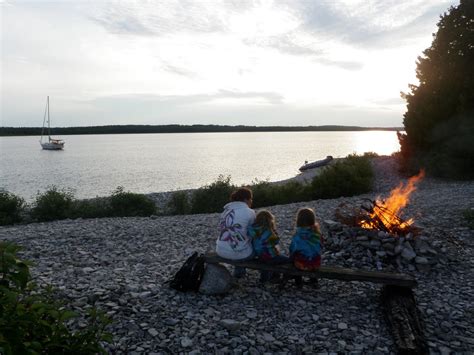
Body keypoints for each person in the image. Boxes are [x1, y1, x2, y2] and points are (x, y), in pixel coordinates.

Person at [216, 187, 255, 278]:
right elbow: (254, 233)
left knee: (239, 239)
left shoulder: (226, 211)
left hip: (220, 250)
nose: (251, 201)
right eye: (251, 199)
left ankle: (239, 272)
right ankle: (240, 273)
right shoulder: (250, 212)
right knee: (252, 243)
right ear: (246, 199)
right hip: (238, 254)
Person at [248, 210, 290, 283]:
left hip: (259, 255)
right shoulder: (269, 231)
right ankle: (275, 277)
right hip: (270, 256)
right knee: (287, 259)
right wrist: (275, 232)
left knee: (268, 261)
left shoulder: (253, 230)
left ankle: (265, 279)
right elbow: (276, 241)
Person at [289, 207, 323, 287]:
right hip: (315, 264)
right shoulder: (317, 234)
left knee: (296, 258)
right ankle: (314, 281)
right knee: (312, 255)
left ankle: (298, 282)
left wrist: (291, 256)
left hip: (301, 264)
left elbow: (293, 249)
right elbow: (320, 246)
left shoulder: (298, 234)